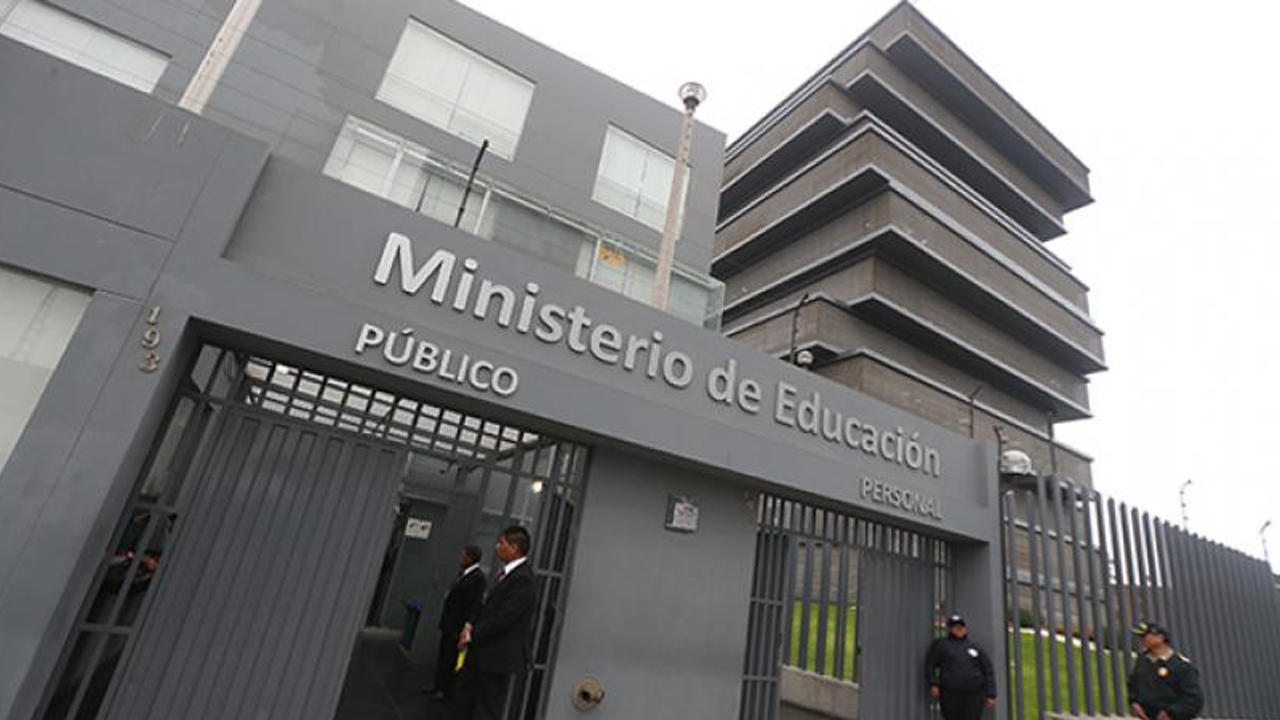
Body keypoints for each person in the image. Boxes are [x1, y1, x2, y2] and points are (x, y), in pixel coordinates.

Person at [450, 526, 537, 720]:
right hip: (482, 654)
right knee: (465, 704)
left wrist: (472, 635)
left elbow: (504, 619)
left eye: (501, 543)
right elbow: (486, 605)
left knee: (485, 710)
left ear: (514, 548)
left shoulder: (523, 580)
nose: (497, 547)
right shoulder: (506, 574)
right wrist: (469, 624)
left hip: (496, 659)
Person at [426, 545, 486, 702]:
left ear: (470, 558)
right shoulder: (463, 574)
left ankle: (446, 691)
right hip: (449, 624)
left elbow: (474, 605)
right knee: (443, 657)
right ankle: (438, 687)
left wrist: (466, 626)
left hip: (457, 627)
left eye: (463, 556)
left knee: (451, 659)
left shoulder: (477, 578)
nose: (460, 558)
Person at [925, 614, 997, 720]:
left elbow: (988, 670)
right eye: (955, 627)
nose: (959, 629)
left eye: (961, 626)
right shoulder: (940, 645)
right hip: (950, 694)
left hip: (974, 695)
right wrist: (933, 683)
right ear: (950, 629)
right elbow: (930, 665)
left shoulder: (975, 647)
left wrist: (991, 694)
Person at [1127, 621, 1203, 720]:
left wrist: (1171, 712)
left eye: (1145, 636)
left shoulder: (1182, 665)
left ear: (1161, 638)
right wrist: (1134, 702)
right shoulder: (1142, 660)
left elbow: (1193, 699)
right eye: (1141, 636)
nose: (1142, 639)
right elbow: (1133, 683)